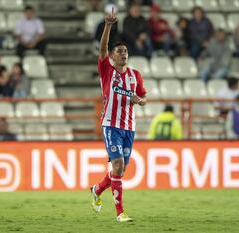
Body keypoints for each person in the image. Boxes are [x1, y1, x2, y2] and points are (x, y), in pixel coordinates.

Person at [90, 8, 147, 222]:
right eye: (120, 51)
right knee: (118, 166)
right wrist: (108, 26)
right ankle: (120, 213)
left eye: (125, 51)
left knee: (119, 171)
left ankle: (96, 190)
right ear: (113, 56)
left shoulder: (135, 76)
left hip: (129, 127)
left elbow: (143, 98)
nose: (123, 54)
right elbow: (102, 48)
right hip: (111, 125)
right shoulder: (107, 71)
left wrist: (139, 101)